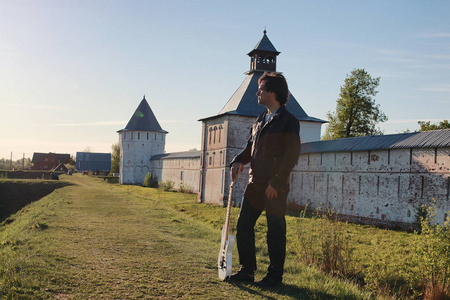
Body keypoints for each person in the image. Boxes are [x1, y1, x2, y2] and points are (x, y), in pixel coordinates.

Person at [229, 72, 300, 287]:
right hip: (255, 183)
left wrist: (277, 182)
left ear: (272, 92)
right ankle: (247, 271)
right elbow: (251, 148)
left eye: (260, 89)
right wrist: (238, 160)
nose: (257, 93)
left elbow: (291, 155)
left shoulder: (288, 121)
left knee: (275, 232)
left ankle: (274, 277)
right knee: (243, 226)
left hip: (274, 187)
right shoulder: (260, 120)